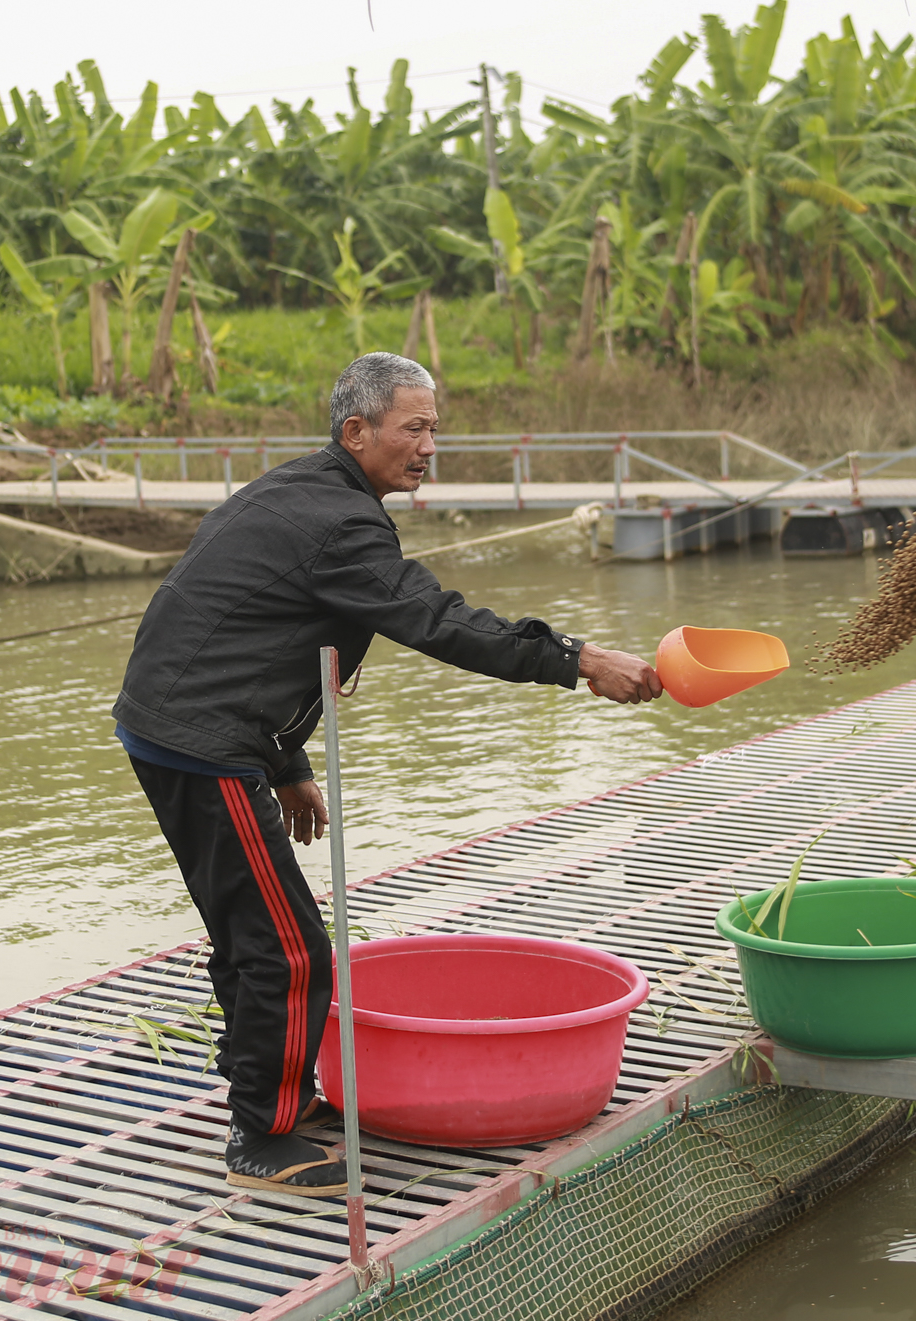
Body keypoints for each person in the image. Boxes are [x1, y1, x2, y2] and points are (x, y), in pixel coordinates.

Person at [113, 352, 661, 1197]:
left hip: (186, 725)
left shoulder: (308, 492)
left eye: (434, 428)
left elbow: (255, 632)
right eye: (414, 428)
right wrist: (579, 659)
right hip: (202, 740)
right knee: (290, 948)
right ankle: (260, 1135)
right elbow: (440, 621)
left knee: (253, 931)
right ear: (356, 430)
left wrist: (288, 762)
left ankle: (280, 1093)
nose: (429, 446)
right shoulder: (342, 522)